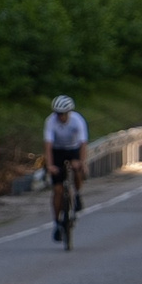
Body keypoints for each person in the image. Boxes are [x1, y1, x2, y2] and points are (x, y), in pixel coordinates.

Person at [45, 94, 90, 239]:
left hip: (73, 149)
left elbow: (83, 143)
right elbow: (48, 146)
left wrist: (82, 162)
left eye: (63, 114)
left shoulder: (77, 120)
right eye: (58, 114)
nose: (60, 117)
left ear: (69, 113)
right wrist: (50, 165)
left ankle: (77, 195)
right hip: (57, 151)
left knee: (77, 169)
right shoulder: (50, 121)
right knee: (57, 190)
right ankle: (57, 222)